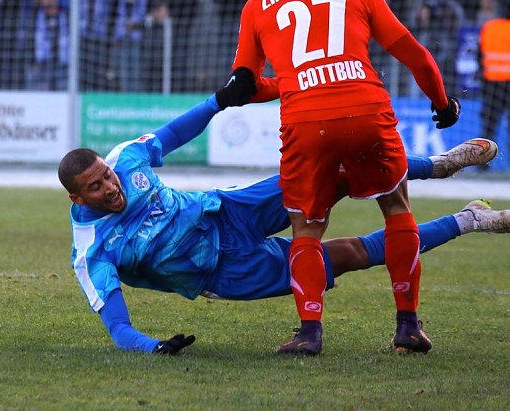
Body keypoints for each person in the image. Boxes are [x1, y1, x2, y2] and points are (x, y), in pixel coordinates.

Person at [61, 91, 502, 355]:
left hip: (226, 209)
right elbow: (118, 328)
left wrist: (219, 100)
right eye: (97, 188)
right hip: (224, 269)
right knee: (348, 255)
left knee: (334, 172)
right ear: (77, 198)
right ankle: (469, 220)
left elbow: (173, 133)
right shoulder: (91, 250)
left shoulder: (126, 157)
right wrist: (152, 346)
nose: (111, 186)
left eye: (108, 176)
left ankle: (437, 166)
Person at [227, 0, 461, 355]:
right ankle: (408, 325)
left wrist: (266, 87)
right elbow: (416, 54)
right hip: (366, 110)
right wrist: (442, 103)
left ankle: (310, 331)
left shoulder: (258, 5)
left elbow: (244, 84)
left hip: (307, 122)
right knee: (395, 207)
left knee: (306, 227)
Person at [149, 0, 199, 92]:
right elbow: (149, 3)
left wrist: (170, 13)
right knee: (157, 62)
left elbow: (192, 6)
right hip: (158, 32)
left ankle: (178, 93)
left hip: (179, 31)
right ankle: (156, 93)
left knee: (178, 63)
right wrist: (156, 12)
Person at [112, 0, 149, 92]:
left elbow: (146, 15)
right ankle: (124, 94)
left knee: (136, 68)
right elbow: (114, 14)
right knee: (123, 69)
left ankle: (136, 94)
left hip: (138, 37)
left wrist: (136, 23)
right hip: (122, 37)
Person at [479, 17, 510, 160]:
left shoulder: (490, 26)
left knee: (489, 126)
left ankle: (483, 164)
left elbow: (479, 56)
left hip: (492, 84)